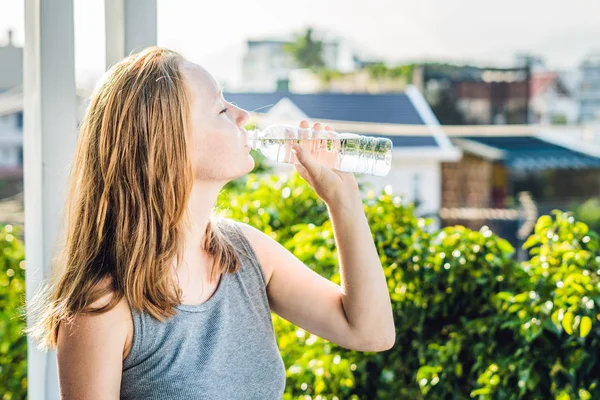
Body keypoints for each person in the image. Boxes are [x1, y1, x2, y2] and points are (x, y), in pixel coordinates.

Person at [24, 47, 395, 399]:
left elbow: (370, 331)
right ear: (168, 143)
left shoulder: (247, 255)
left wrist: (343, 201)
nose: (242, 116)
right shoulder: (102, 307)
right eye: (220, 109)